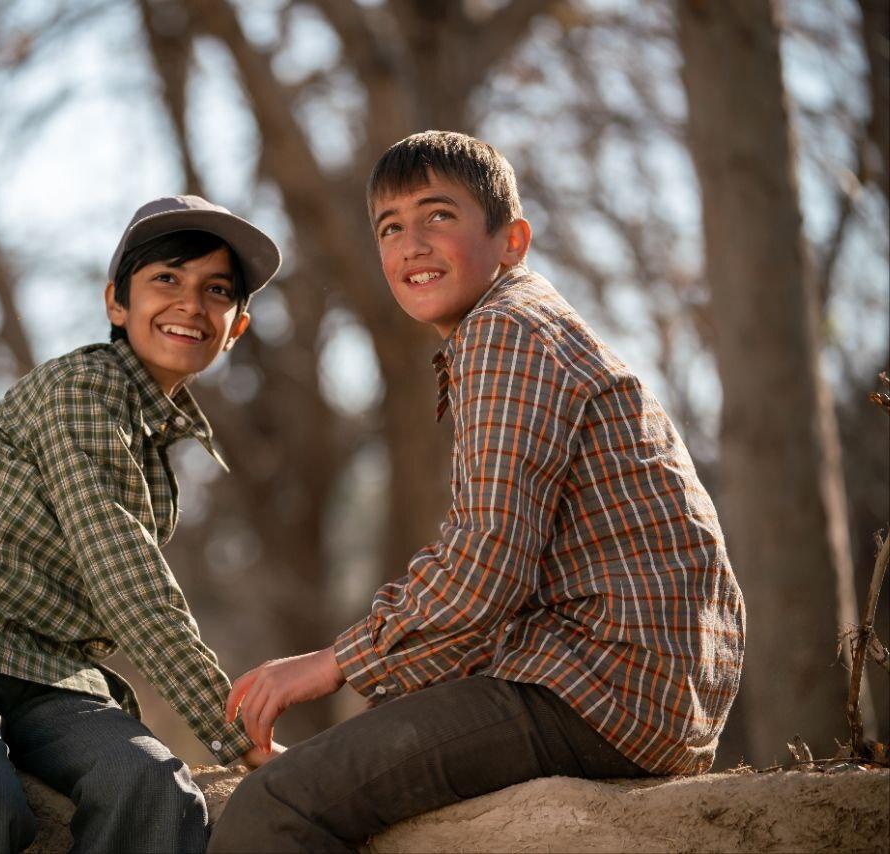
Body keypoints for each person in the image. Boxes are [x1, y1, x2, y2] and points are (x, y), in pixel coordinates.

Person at [210, 131, 746, 853]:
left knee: (273, 806)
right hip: (644, 689)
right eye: (391, 228)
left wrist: (330, 665)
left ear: (511, 240)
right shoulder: (527, 325)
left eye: (439, 217)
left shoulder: (507, 331)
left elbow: (486, 566)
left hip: (599, 688)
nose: (411, 245)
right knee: (328, 779)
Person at [0, 195, 284, 854]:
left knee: (154, 789)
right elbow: (129, 584)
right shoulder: (82, 392)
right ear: (117, 302)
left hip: (55, 682)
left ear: (237, 326)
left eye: (217, 290)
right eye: (166, 280)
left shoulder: (156, 444)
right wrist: (240, 739)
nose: (191, 304)